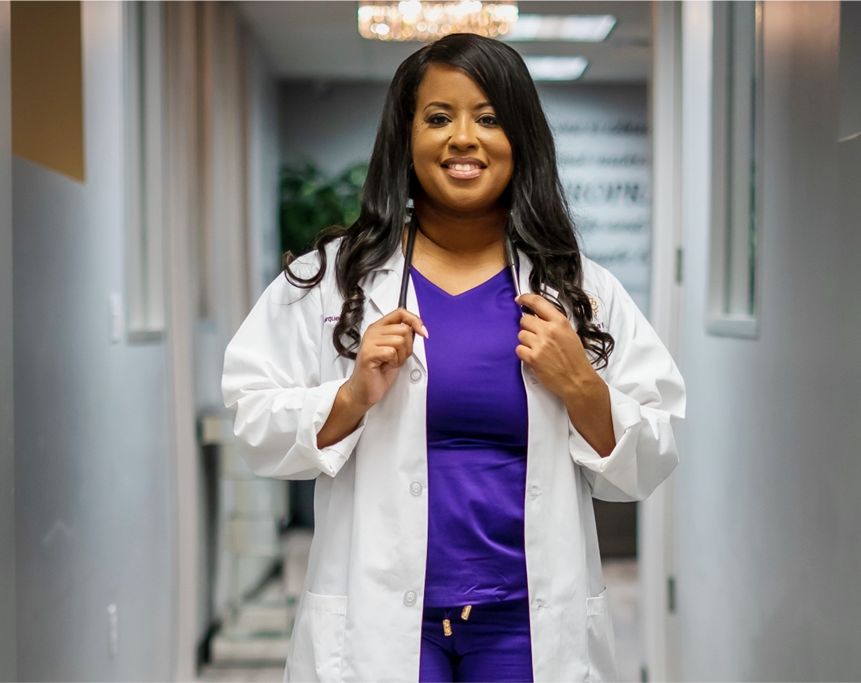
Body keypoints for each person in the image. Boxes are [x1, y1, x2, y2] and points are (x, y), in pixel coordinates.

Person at [222, 33, 685, 683]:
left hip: (524, 623)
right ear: (404, 140)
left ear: (519, 138)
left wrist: (582, 385)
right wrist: (349, 397)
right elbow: (251, 418)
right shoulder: (332, 278)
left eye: (489, 118)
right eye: (438, 117)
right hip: (382, 623)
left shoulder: (579, 288)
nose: (463, 137)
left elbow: (655, 448)